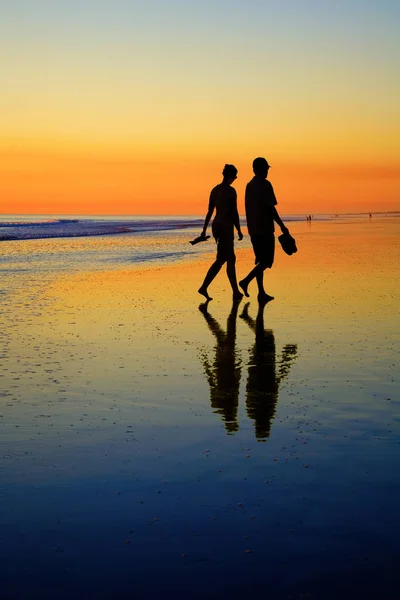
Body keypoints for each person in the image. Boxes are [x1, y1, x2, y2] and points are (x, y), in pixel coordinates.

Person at [239, 157, 289, 302]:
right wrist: (282, 226)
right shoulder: (266, 185)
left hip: (253, 229)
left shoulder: (249, 185)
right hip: (265, 228)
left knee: (260, 261)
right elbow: (271, 208)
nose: (267, 171)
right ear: (260, 169)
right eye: (266, 168)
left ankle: (261, 293)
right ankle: (246, 281)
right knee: (267, 262)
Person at [198, 164, 243, 301]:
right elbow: (234, 212)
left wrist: (204, 229)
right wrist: (239, 230)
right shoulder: (231, 191)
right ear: (230, 176)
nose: (235, 178)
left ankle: (235, 291)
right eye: (235, 176)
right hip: (226, 227)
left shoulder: (215, 190)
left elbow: (210, 212)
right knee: (223, 259)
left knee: (228, 258)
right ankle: (204, 287)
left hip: (217, 226)